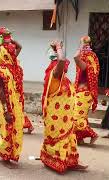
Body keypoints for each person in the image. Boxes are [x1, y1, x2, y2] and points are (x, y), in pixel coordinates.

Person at [40, 40, 88, 173]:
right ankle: (58, 161)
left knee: (69, 138)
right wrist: (59, 47)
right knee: (58, 139)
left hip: (66, 118)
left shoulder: (63, 78)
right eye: (64, 66)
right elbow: (61, 60)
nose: (66, 67)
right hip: (57, 120)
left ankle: (71, 160)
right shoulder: (54, 75)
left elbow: (61, 61)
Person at [0, 27, 25, 167]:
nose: (13, 52)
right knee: (8, 129)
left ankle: (9, 154)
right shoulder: (2, 71)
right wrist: (6, 111)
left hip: (14, 103)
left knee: (15, 128)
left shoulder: (13, 67)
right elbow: (2, 93)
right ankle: (5, 155)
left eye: (13, 51)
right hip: (6, 106)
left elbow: (19, 47)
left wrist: (8, 37)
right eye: (11, 51)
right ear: (5, 54)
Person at [0, 27, 34, 134]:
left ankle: (13, 125)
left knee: (11, 108)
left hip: (9, 97)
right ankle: (24, 124)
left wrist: (5, 110)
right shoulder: (16, 67)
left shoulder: (2, 70)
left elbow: (1, 91)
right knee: (18, 106)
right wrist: (11, 40)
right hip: (16, 94)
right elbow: (19, 47)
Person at [73, 36, 100, 144]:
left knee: (77, 117)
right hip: (81, 93)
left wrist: (81, 47)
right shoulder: (90, 61)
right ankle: (80, 139)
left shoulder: (85, 64)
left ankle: (92, 134)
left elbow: (75, 57)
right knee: (79, 116)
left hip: (84, 94)